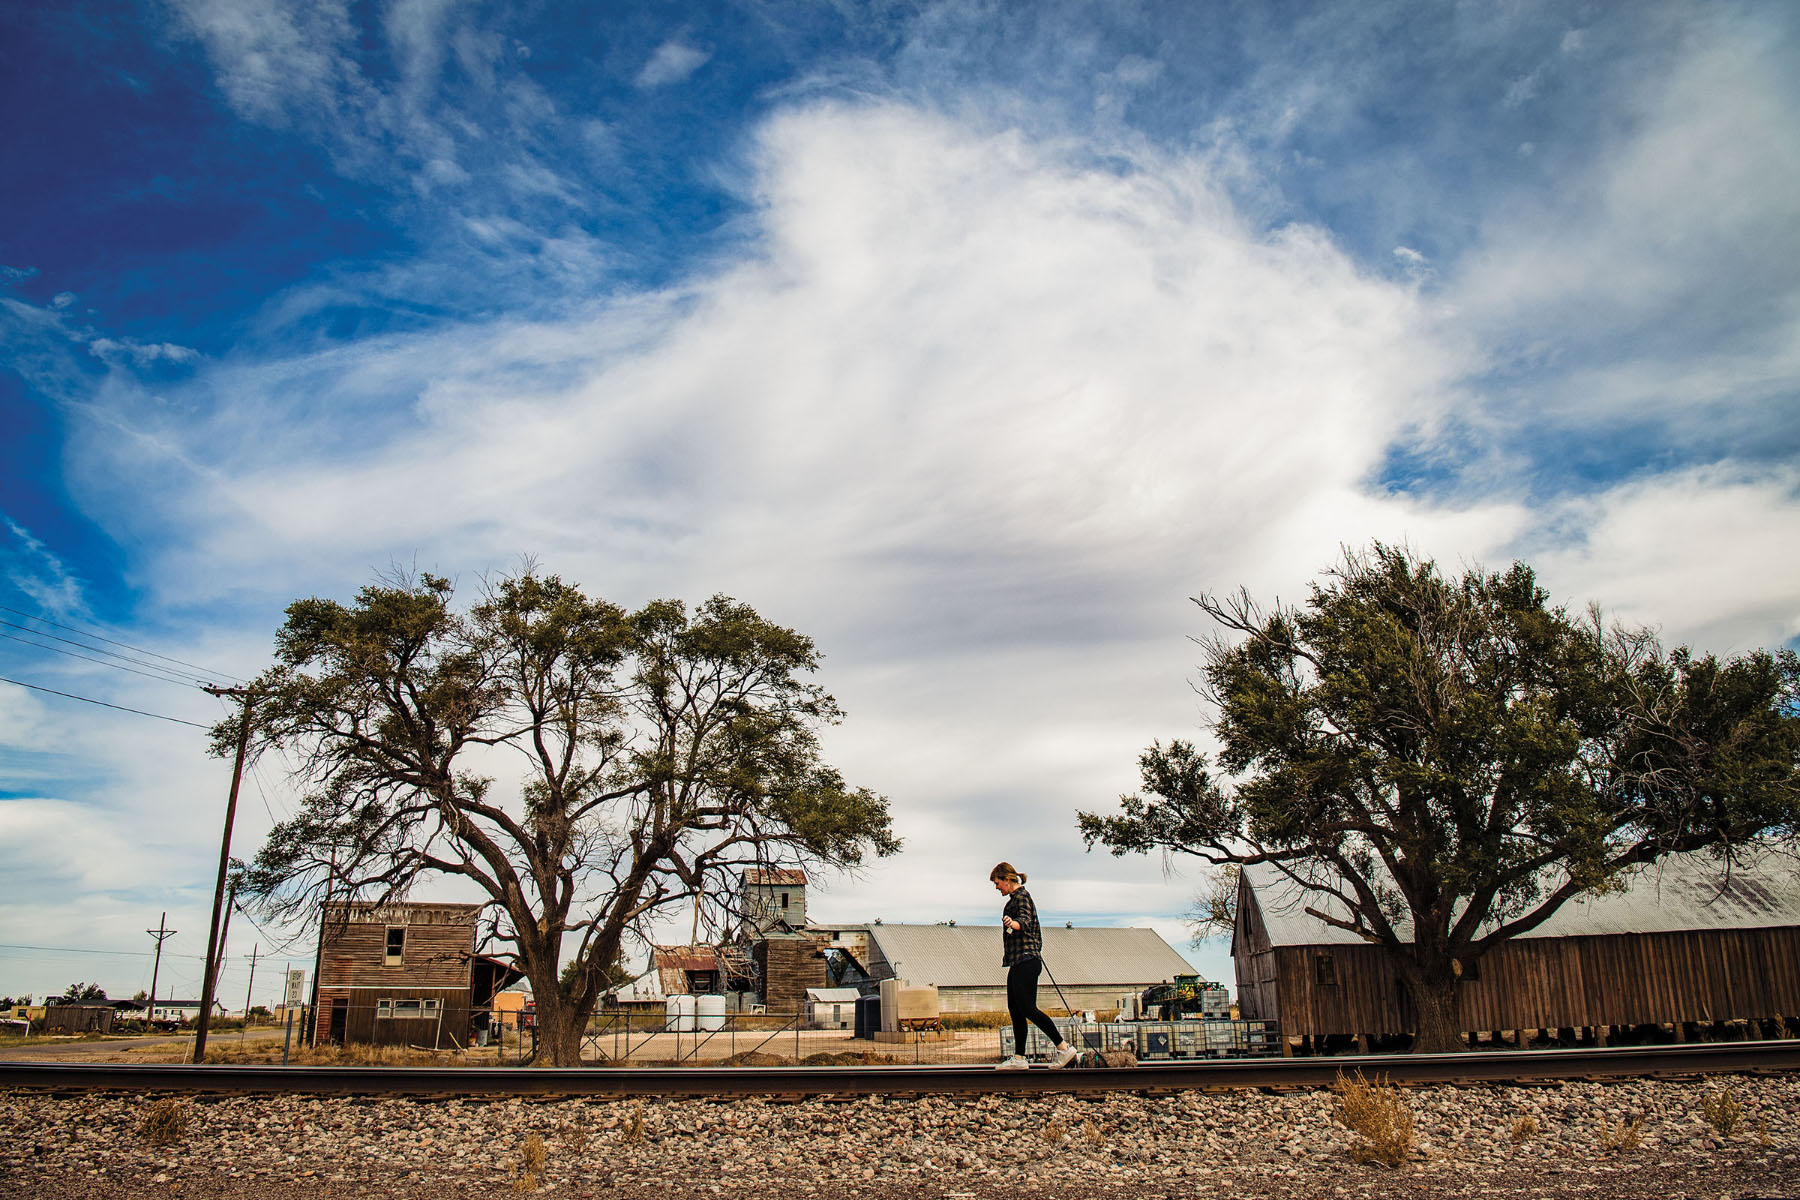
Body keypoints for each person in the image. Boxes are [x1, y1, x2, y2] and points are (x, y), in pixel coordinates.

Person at [991, 862, 1078, 1069]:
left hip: (1027, 960)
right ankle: (1019, 1058)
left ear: (1006, 879)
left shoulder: (1022, 897)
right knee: (1016, 1009)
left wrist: (1015, 924)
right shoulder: (1014, 899)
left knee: (1028, 1008)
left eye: (997, 883)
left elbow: (1025, 919)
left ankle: (1064, 1048)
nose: (996, 888)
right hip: (1017, 961)